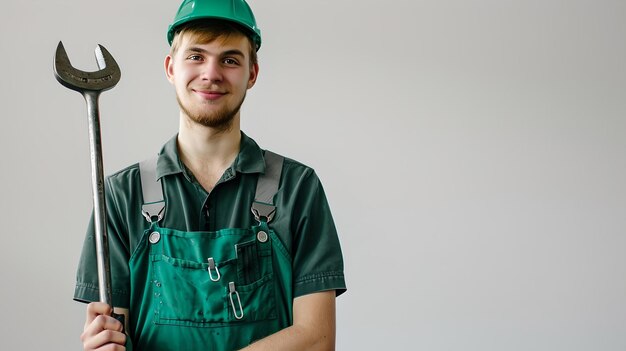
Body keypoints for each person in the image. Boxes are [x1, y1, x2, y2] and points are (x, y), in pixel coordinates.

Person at [73, 0, 347, 350]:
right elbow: (114, 328)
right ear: (171, 67)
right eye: (196, 56)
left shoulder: (296, 188)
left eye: (230, 60)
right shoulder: (121, 195)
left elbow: (316, 340)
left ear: (252, 73)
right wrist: (105, 344)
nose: (211, 74)